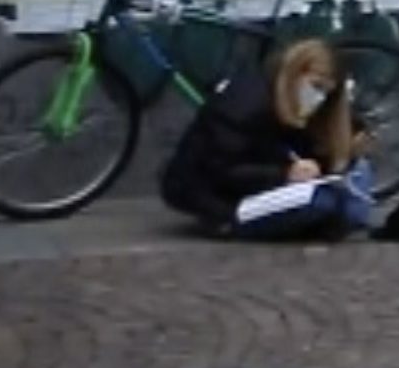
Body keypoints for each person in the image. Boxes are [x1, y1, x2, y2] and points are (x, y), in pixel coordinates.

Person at [159, 38, 374, 240]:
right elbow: (220, 170)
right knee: (321, 203)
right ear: (296, 74)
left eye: (325, 92)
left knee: (358, 173)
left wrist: (345, 148)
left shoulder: (294, 101)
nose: (318, 98)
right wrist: (284, 174)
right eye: (316, 86)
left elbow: (298, 147)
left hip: (271, 181)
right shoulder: (244, 104)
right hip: (214, 194)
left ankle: (329, 219)